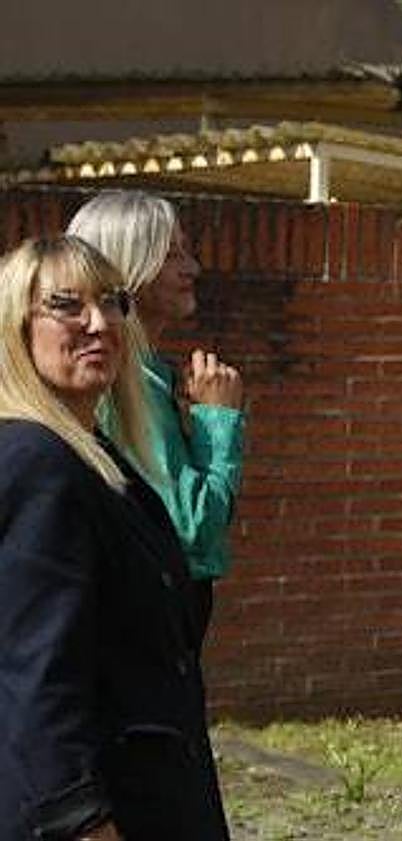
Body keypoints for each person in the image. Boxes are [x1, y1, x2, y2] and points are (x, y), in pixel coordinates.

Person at [0, 236, 229, 840]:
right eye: (66, 305)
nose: (99, 323)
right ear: (15, 324)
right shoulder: (36, 462)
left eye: (112, 302)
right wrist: (79, 818)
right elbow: (36, 671)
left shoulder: (97, 459)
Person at [68, 190, 245, 640]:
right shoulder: (123, 380)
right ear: (126, 268)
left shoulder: (145, 373)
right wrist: (217, 422)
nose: (192, 268)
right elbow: (192, 531)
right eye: (170, 254)